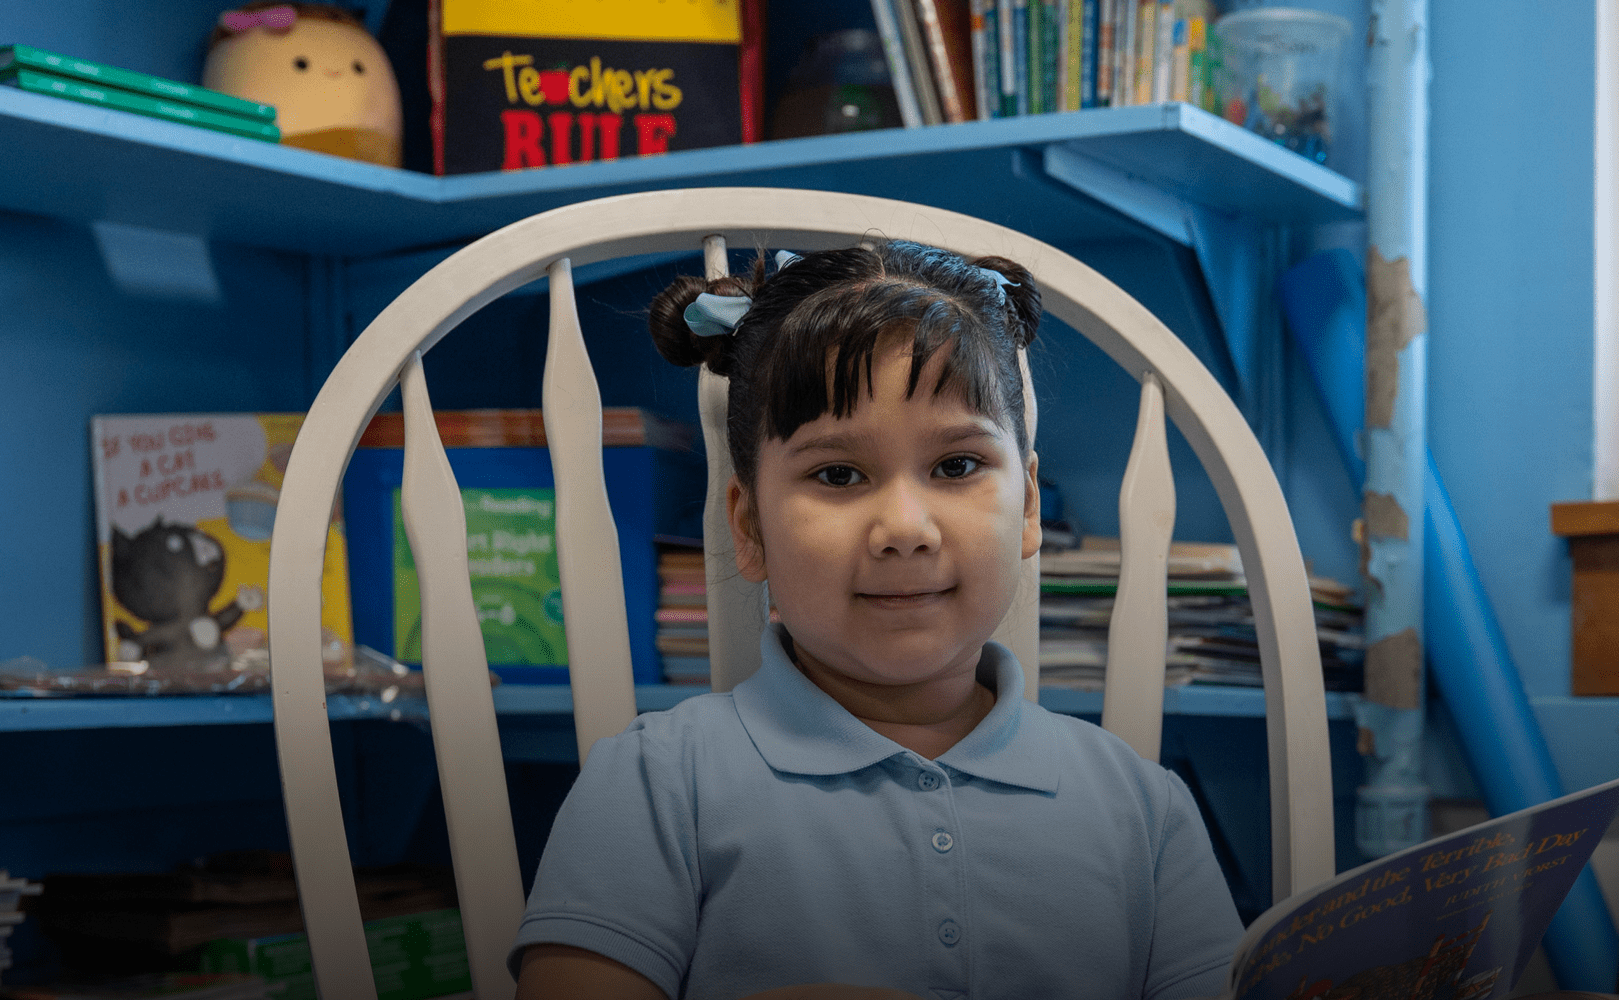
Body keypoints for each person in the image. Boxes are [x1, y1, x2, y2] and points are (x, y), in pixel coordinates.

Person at [511, 240, 1241, 1000]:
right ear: (751, 527)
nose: (905, 526)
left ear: (1026, 505)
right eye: (838, 474)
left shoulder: (1142, 809)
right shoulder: (656, 783)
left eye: (956, 466)